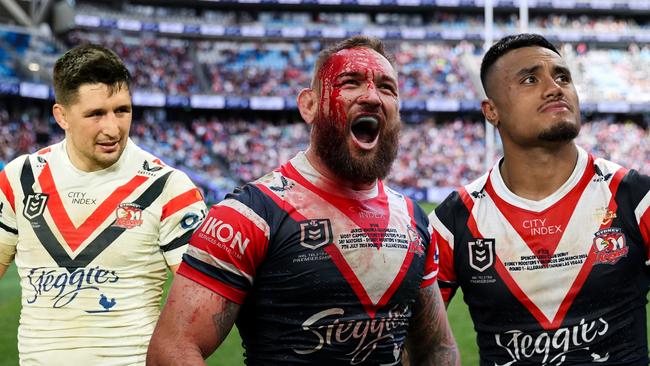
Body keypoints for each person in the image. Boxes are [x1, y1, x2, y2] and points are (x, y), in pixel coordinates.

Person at [147, 36, 460, 365]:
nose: (372, 96)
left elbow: (437, 349)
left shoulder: (413, 220)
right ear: (309, 105)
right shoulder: (250, 215)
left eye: (387, 88)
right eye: (350, 82)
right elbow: (172, 349)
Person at [430, 33, 650, 365]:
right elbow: (420, 345)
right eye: (531, 79)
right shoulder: (453, 222)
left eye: (562, 76)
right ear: (492, 111)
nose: (554, 87)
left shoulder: (635, 199)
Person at [0, 44, 207, 365]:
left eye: (122, 110)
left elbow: (204, 304)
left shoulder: (168, 187)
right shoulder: (20, 179)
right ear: (61, 116)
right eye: (96, 114)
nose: (112, 128)